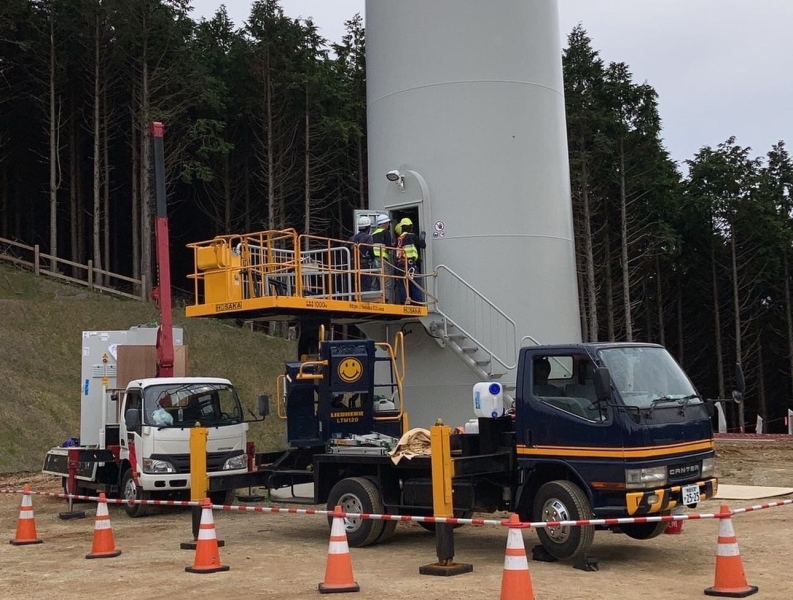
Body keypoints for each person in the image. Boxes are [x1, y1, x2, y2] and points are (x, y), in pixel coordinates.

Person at [394, 217, 426, 304]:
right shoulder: (412, 236)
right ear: (410, 227)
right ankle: (417, 303)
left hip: (400, 266)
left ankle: (404, 303)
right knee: (416, 283)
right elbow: (422, 245)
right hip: (410, 265)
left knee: (403, 285)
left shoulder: (399, 239)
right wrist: (422, 238)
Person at [349, 216, 375, 294]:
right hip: (364, 264)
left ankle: (355, 297)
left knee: (355, 283)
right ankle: (364, 298)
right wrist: (373, 259)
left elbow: (346, 249)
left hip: (353, 264)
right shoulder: (368, 237)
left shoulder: (352, 238)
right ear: (368, 228)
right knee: (365, 283)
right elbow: (370, 249)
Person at [371, 214, 393, 296]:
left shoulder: (373, 234)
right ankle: (386, 300)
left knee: (375, 282)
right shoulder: (386, 232)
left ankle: (373, 299)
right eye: (388, 223)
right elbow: (389, 247)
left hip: (374, 261)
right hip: (381, 260)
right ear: (385, 223)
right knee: (386, 282)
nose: (389, 225)